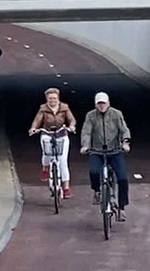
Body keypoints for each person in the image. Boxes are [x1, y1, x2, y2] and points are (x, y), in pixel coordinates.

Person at [78, 91, 131, 221]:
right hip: (97, 150)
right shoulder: (90, 116)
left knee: (123, 178)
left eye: (103, 103)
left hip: (114, 150)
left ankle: (122, 208)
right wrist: (85, 145)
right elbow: (86, 132)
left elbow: (124, 129)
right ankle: (97, 191)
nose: (101, 106)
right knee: (94, 172)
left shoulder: (116, 114)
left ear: (108, 103)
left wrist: (125, 142)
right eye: (99, 103)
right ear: (96, 105)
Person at [28, 87, 77, 198]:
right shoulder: (43, 109)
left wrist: (71, 126)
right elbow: (37, 120)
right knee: (46, 154)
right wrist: (33, 128)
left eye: (54, 98)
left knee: (63, 161)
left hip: (61, 135)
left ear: (58, 98)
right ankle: (45, 169)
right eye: (50, 98)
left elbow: (71, 119)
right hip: (47, 134)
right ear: (47, 99)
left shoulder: (64, 108)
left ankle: (66, 188)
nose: (52, 100)